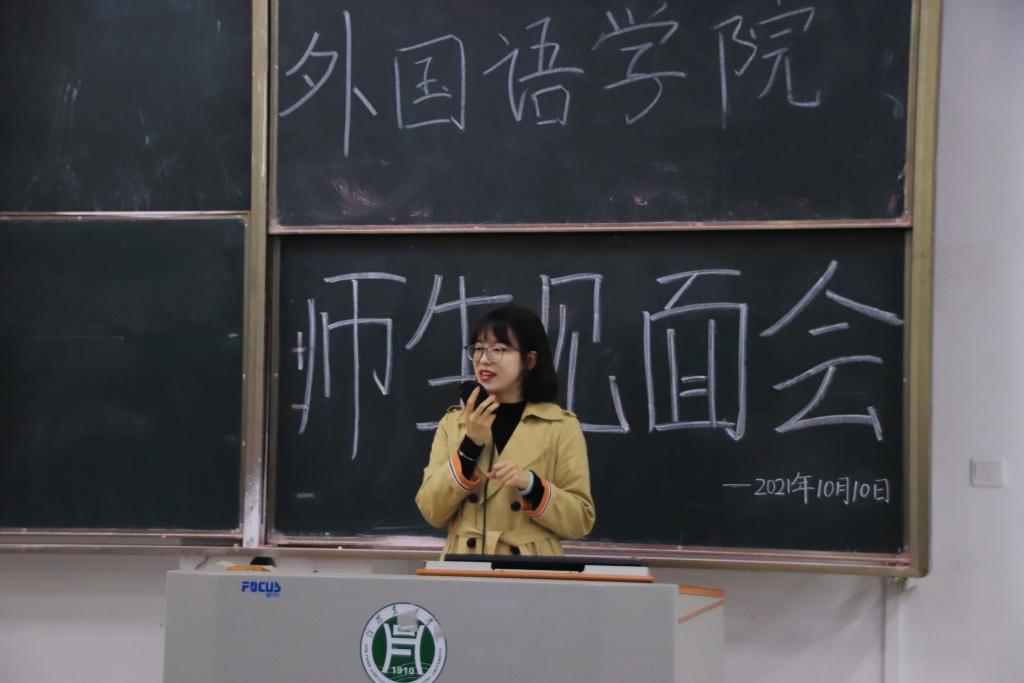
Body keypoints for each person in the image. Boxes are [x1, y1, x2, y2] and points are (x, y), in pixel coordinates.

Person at [415, 305, 595, 556]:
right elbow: (431, 511)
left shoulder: (560, 427)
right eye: (479, 348)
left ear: (529, 360)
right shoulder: (454, 423)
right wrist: (469, 447)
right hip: (463, 563)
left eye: (498, 349)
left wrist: (530, 484)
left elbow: (580, 521)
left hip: (531, 566)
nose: (483, 359)